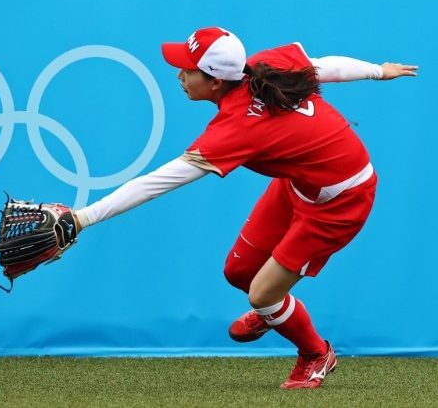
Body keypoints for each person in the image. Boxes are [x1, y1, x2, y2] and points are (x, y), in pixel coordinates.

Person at [70, 27, 417, 389]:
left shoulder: (238, 126)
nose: (179, 75)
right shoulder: (259, 66)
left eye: (187, 70)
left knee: (262, 294)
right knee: (239, 271)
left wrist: (83, 218)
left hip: (341, 200)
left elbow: (156, 183)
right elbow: (323, 67)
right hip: (300, 181)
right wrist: (377, 70)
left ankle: (316, 354)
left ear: (216, 81)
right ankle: (275, 313)